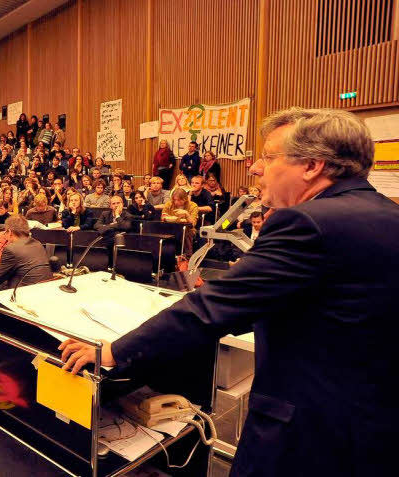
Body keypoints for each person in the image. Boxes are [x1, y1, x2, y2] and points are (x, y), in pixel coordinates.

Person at [58, 107, 398, 476]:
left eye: (268, 157)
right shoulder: (387, 214)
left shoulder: (307, 223)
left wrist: (112, 351)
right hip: (370, 425)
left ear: (312, 165)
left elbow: (209, 309)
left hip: (307, 434)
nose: (255, 168)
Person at [0, 215, 52, 292]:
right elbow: (22, 269)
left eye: (5, 232)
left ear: (9, 232)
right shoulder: (38, 244)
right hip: (41, 292)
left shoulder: (11, 249)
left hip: (21, 295)